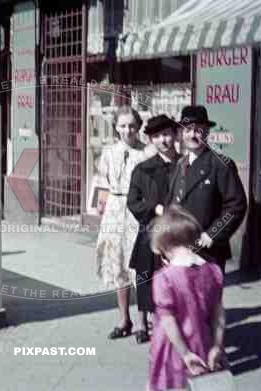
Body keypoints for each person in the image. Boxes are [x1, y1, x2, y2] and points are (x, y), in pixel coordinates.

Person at [148, 205, 226, 391]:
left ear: (165, 246)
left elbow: (168, 322)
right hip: (204, 343)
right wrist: (217, 345)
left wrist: (185, 353)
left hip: (173, 348)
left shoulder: (164, 278)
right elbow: (219, 314)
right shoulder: (213, 272)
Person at [95, 105, 156, 340]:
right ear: (116, 127)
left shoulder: (147, 153)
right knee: (118, 265)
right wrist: (102, 206)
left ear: (139, 126)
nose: (127, 130)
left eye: (131, 125)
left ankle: (142, 322)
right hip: (114, 211)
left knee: (140, 267)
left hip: (138, 212)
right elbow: (102, 183)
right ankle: (124, 319)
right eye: (122, 125)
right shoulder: (109, 152)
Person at [164, 105, 247, 272]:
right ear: (181, 134)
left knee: (204, 298)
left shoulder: (220, 164)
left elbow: (236, 205)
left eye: (198, 131)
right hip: (179, 250)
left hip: (206, 251)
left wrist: (213, 233)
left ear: (207, 133)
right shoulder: (180, 164)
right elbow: (171, 206)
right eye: (187, 130)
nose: (192, 135)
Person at [126, 114, 180, 344]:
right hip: (151, 231)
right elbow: (133, 201)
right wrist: (155, 208)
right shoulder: (143, 169)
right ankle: (140, 323)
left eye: (166, 134)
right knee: (145, 276)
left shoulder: (185, 165)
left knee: (173, 280)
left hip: (178, 234)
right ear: (151, 140)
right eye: (157, 136)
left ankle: (170, 325)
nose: (163, 140)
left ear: (175, 135)